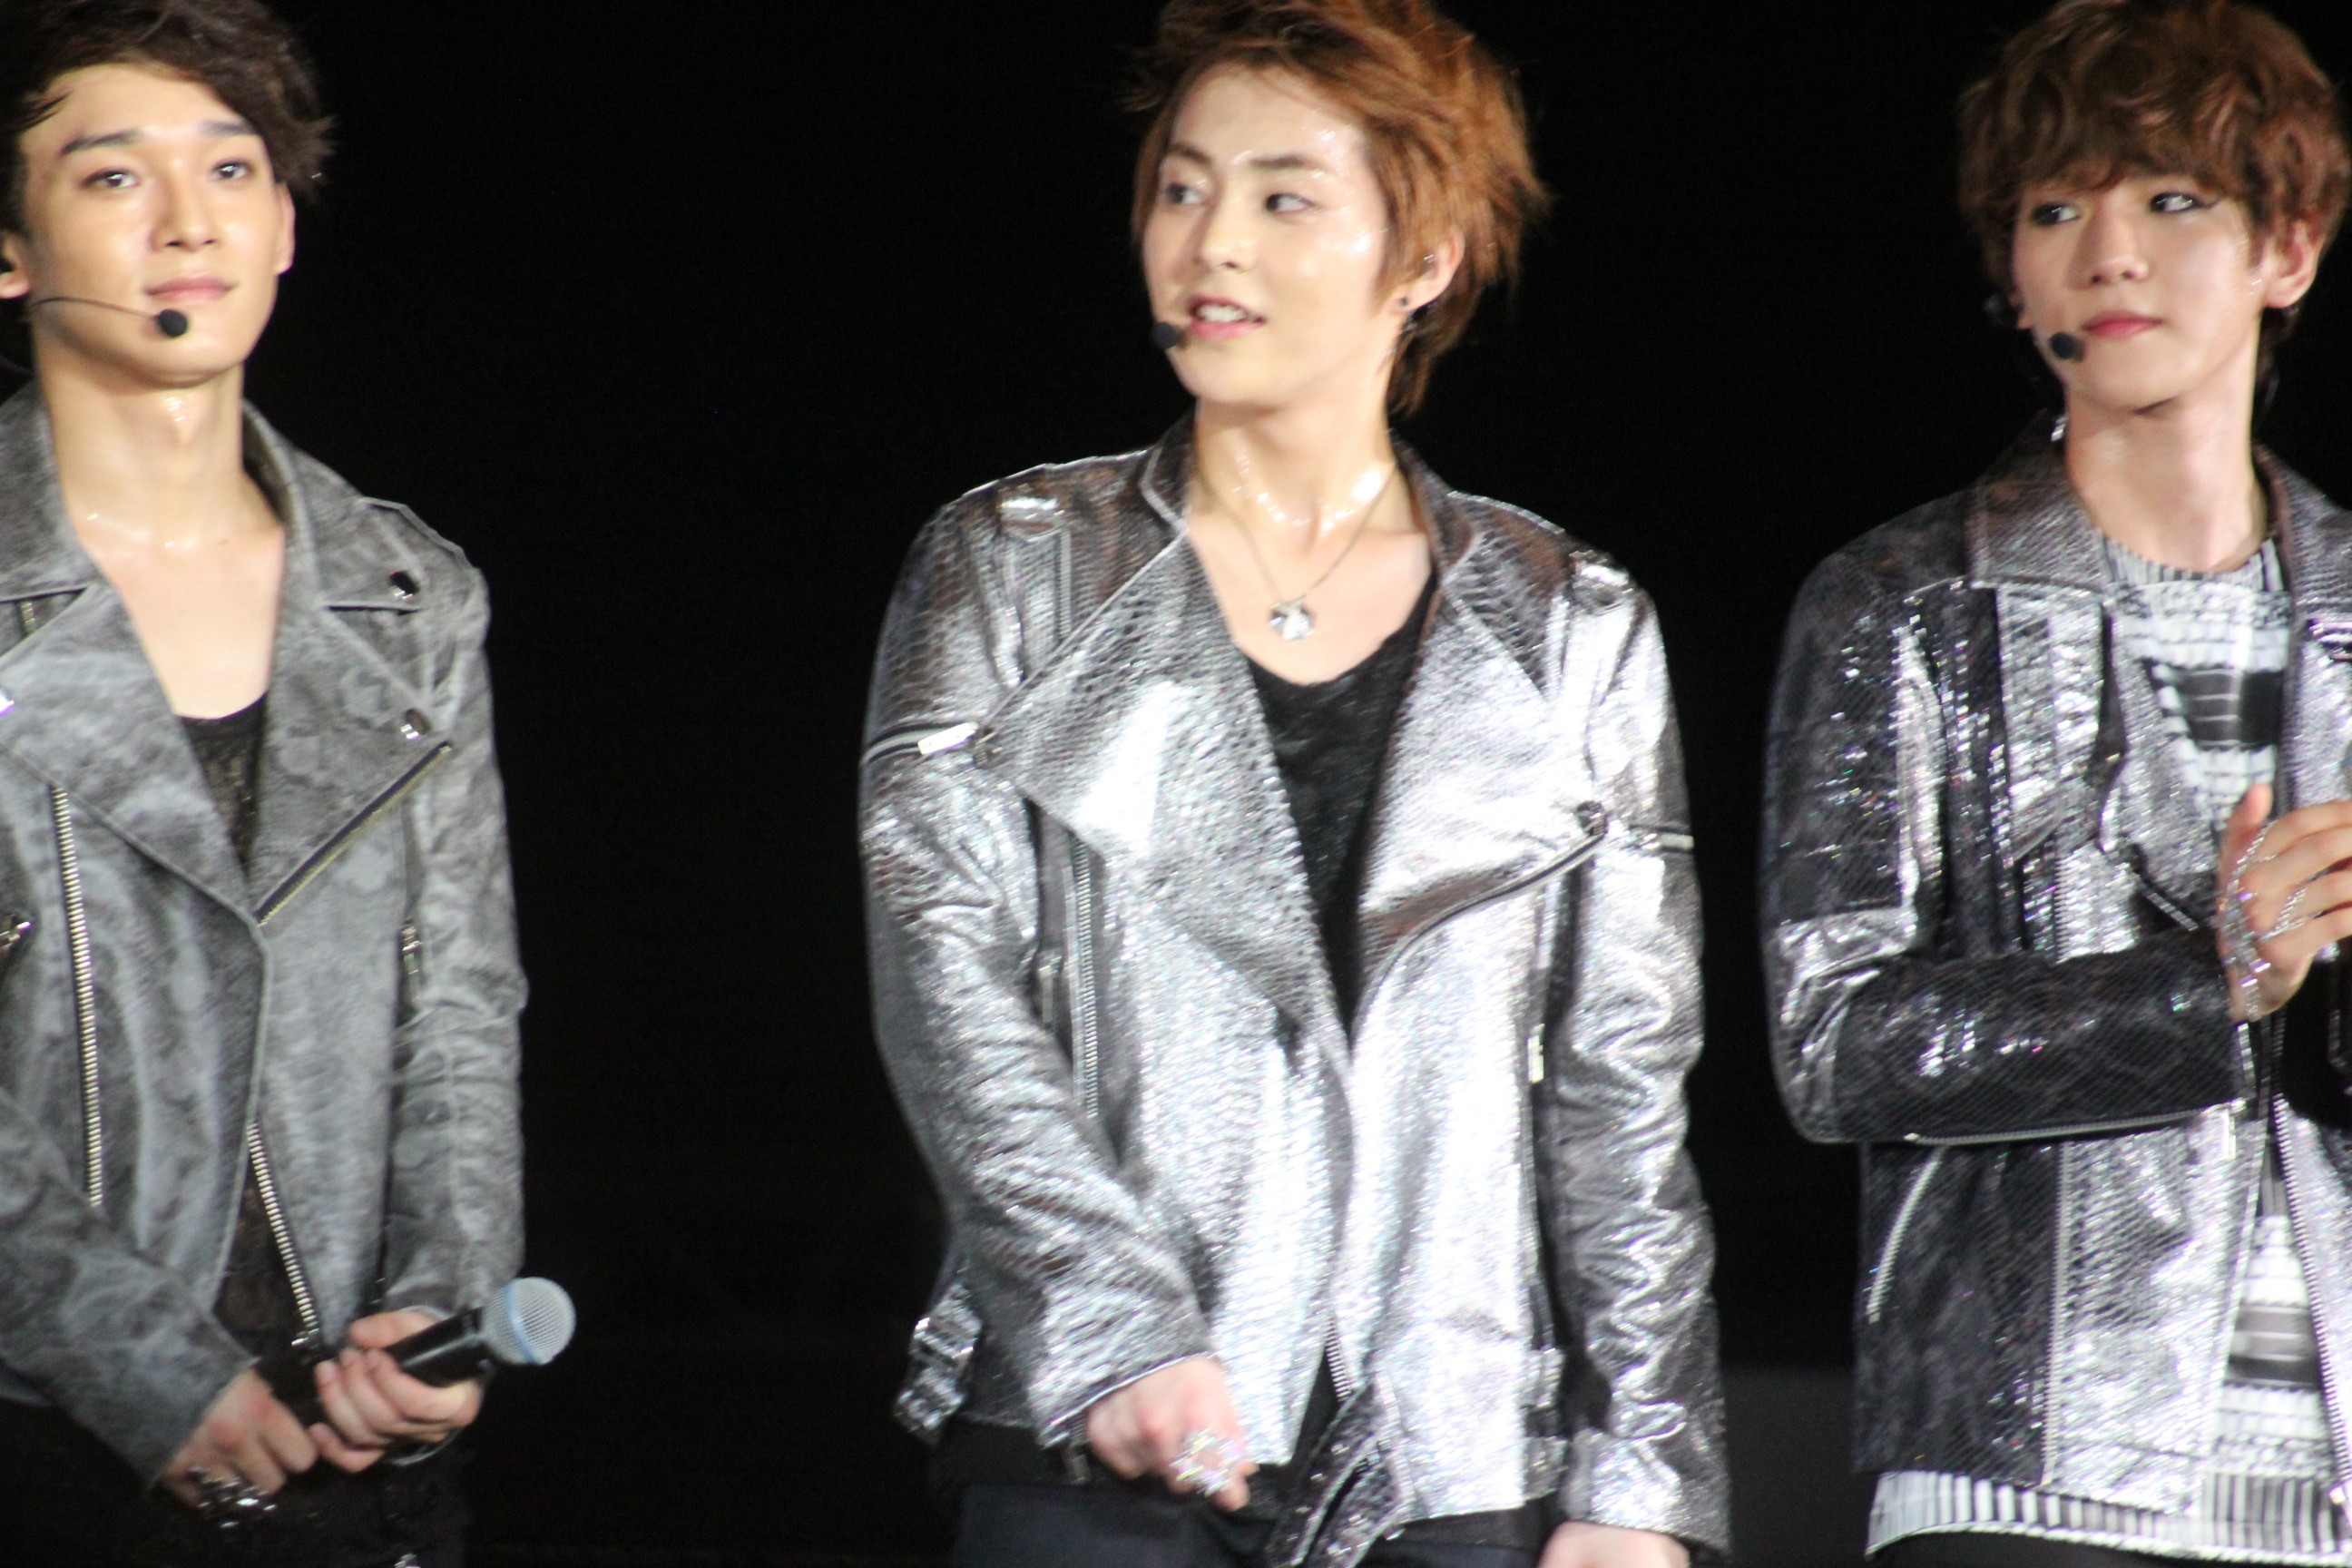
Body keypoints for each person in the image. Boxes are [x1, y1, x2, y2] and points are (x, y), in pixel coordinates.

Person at [859, 3, 1727, 1565]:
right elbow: (946, 977)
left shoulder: (1573, 624)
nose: (1212, 244)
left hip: (1446, 1450)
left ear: (1425, 257)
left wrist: (1640, 1481)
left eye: (1284, 198)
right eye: (1182, 188)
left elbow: (1620, 1083)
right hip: (1092, 1442)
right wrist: (1111, 1323)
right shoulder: (1011, 567)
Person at [1760, 2, 2352, 1563]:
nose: (2109, 253)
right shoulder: (1904, 600)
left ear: (2288, 247)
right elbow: (1835, 1041)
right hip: (2026, 1473)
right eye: (2051, 211)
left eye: (2173, 198)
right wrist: (2209, 987)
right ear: (2012, 277)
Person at [0, 2, 524, 1563]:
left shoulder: (408, 598)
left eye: (231, 169)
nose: (188, 223)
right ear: (11, 248)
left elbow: (459, 1006)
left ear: (284, 224)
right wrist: (137, 1364)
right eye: (113, 176)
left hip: (348, 1450)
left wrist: (445, 1311)